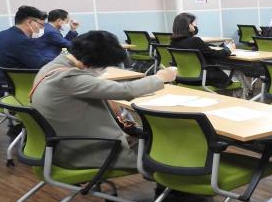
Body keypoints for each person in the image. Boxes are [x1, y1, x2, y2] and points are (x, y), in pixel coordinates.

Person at [30, 30, 176, 170]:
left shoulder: (51, 67)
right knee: (165, 151)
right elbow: (125, 90)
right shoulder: (67, 78)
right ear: (92, 62)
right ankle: (170, 183)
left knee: (151, 140)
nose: (104, 70)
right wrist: (160, 78)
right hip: (88, 151)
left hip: (64, 146)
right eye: (104, 65)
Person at [0, 5, 50, 102]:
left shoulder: (0, 35)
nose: (42, 29)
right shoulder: (21, 40)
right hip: (8, 93)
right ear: (30, 22)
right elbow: (42, 65)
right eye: (42, 25)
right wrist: (62, 60)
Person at [169, 12, 236, 88]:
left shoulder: (173, 43)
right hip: (203, 79)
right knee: (236, 76)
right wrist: (228, 49)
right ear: (189, 25)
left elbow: (201, 48)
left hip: (183, 78)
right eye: (194, 23)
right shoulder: (195, 41)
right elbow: (215, 55)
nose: (195, 25)